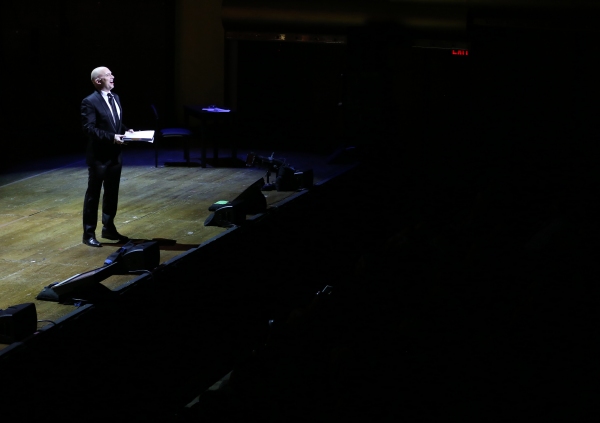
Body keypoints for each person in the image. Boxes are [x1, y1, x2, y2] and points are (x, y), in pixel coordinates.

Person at [81, 66, 133, 247]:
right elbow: (90, 128)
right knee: (93, 195)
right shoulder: (89, 101)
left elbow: (114, 122)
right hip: (99, 157)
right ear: (98, 81)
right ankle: (88, 234)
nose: (113, 76)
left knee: (111, 194)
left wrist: (126, 131)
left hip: (115, 156)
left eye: (112, 73)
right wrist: (112, 137)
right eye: (108, 75)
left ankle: (108, 229)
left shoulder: (115, 97)